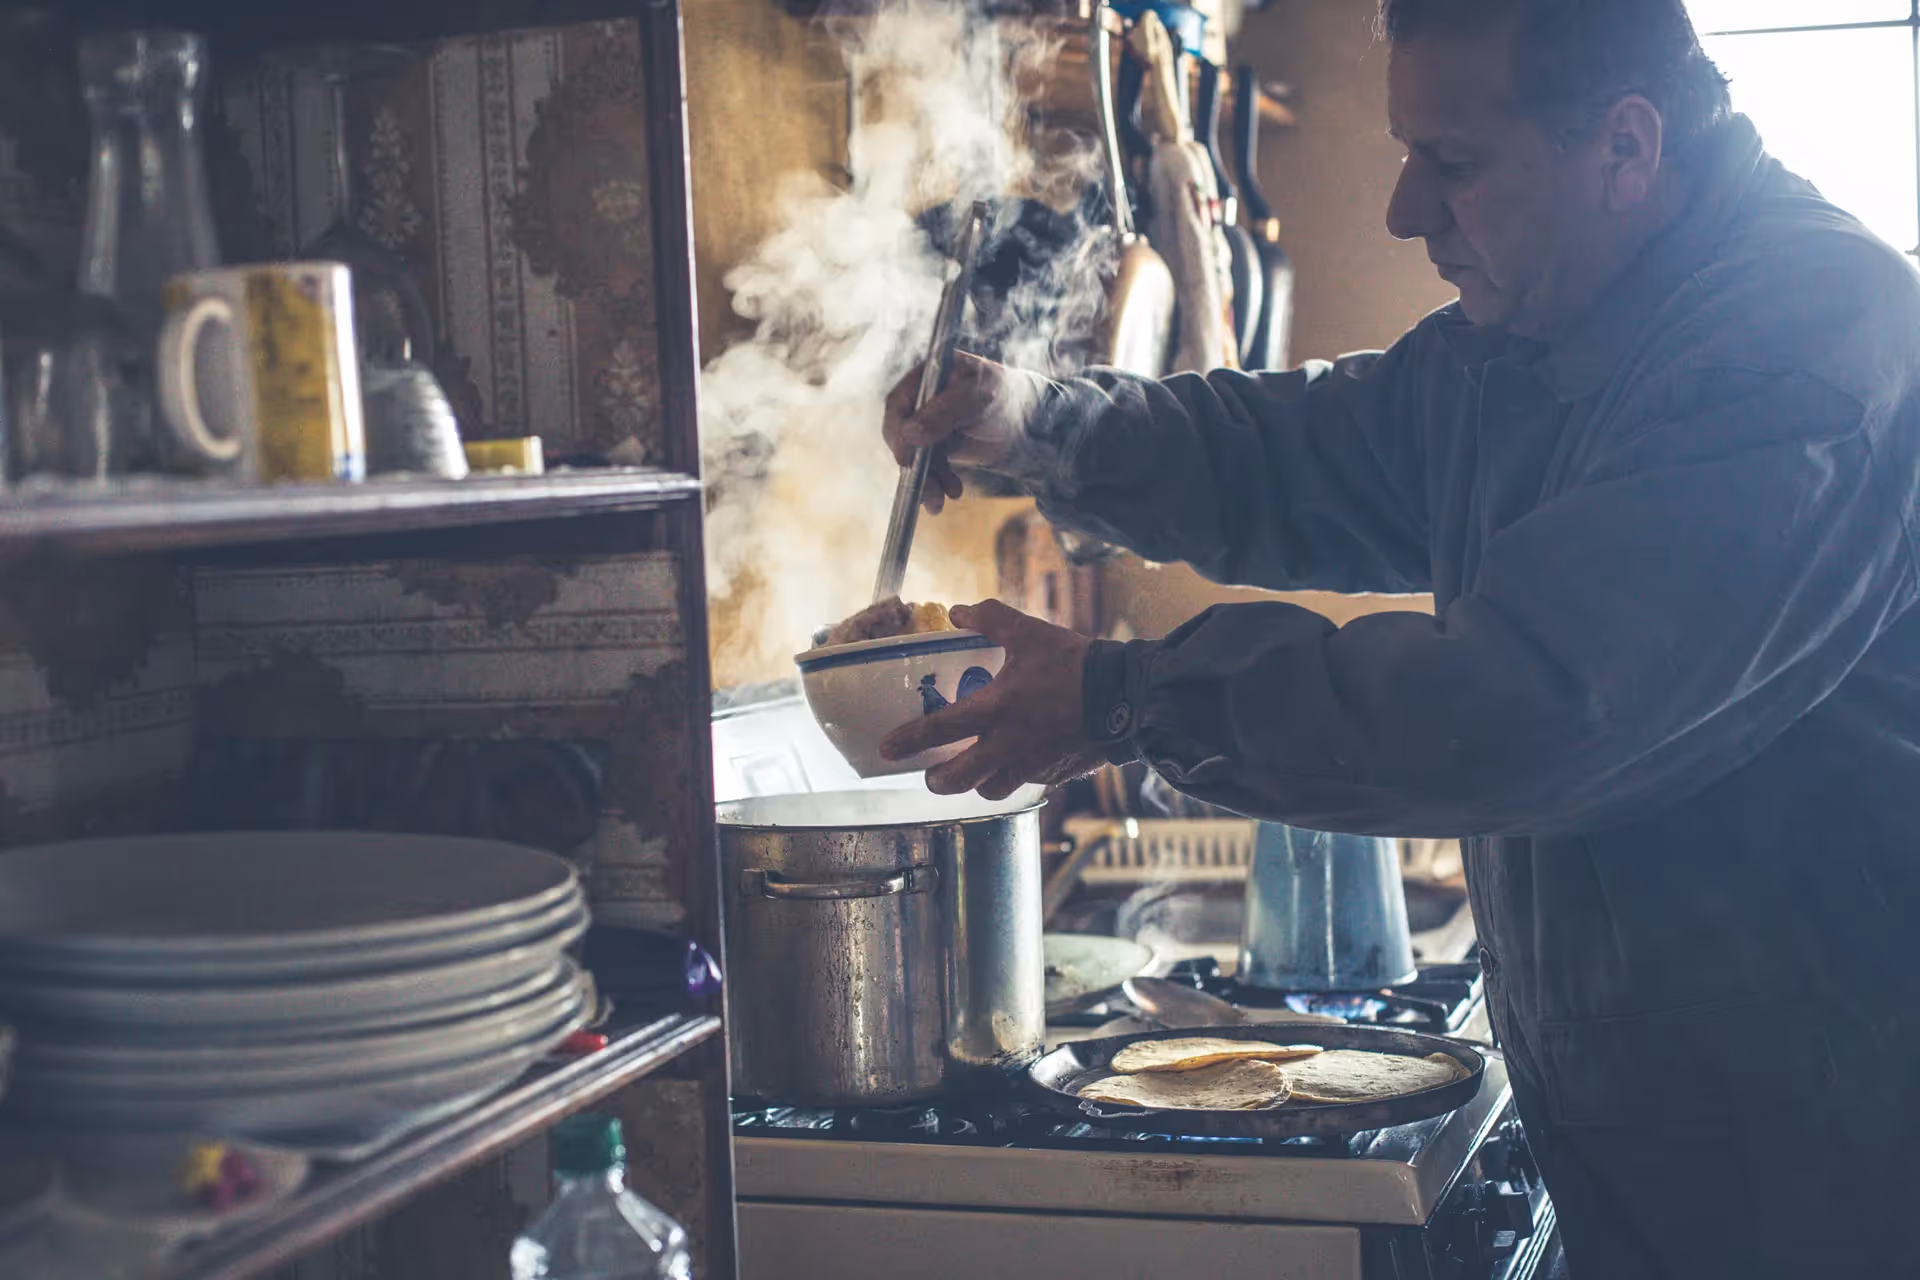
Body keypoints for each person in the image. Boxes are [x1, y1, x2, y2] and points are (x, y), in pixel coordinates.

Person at [876, 0, 1920, 1275]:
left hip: (1830, 1150)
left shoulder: (1806, 347)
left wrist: (1123, 695)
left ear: (1628, 149)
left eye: (1458, 164)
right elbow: (1301, 448)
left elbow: (1537, 701)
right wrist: (1040, 421)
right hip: (1667, 1111)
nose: (1404, 211)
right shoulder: (1540, 331)